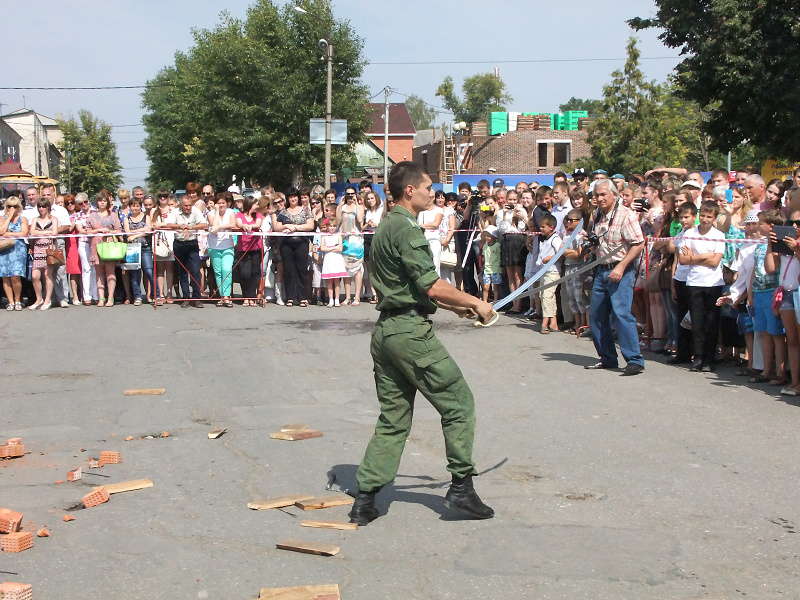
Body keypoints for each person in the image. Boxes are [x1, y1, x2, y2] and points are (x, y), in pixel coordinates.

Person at [349, 161, 496, 527]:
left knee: (394, 417)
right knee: (459, 402)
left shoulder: (385, 226)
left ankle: (365, 497)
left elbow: (411, 288)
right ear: (409, 191)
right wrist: (475, 301)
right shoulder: (407, 228)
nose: (433, 192)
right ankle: (461, 488)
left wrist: (454, 307)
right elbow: (430, 284)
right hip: (409, 334)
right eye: (428, 187)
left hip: (387, 332)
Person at [585, 180, 645, 375]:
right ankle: (607, 358)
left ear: (614, 194)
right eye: (597, 195)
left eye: (603, 194)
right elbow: (596, 241)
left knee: (621, 314)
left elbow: (638, 244)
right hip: (601, 269)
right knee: (596, 315)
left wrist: (621, 266)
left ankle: (634, 360)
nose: (600, 198)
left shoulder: (625, 215)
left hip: (621, 271)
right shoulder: (596, 215)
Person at [678, 201, 726, 371]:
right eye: (703, 215)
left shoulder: (719, 235)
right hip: (694, 282)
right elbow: (683, 259)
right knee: (697, 322)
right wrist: (703, 256)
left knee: (711, 322)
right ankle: (698, 357)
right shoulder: (689, 233)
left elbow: (715, 261)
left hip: (713, 283)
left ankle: (709, 358)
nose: (705, 219)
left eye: (709, 216)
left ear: (714, 218)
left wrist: (694, 257)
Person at [273, 188, 315, 307]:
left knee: (302, 269)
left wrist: (295, 228)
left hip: (302, 243)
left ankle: (302, 297)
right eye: (291, 197)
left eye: (295, 196)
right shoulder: (283, 212)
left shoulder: (306, 210)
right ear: (288, 199)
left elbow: (310, 225)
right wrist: (287, 226)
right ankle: (290, 297)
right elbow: (277, 227)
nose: (293, 199)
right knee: (289, 270)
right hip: (286, 244)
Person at [166, 197, 208, 307]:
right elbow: (168, 224)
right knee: (182, 272)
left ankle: (196, 298)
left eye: (189, 205)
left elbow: (204, 224)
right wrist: (179, 226)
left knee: (195, 271)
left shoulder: (196, 211)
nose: (188, 208)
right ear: (181, 205)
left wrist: (191, 227)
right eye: (185, 205)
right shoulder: (175, 211)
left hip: (192, 243)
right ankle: (185, 298)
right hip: (179, 243)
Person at [85, 190, 123, 307]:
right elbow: (87, 231)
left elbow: (119, 230)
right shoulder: (92, 215)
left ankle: (110, 297)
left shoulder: (113, 215)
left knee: (110, 273)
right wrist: (98, 230)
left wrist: (110, 232)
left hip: (109, 246)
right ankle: (101, 297)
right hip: (96, 246)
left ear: (108, 202)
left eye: (104, 201)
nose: (102, 203)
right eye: (100, 201)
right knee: (99, 273)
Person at [562, 208, 590, 335]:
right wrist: (566, 252)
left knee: (579, 298)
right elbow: (561, 251)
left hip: (579, 268)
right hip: (568, 266)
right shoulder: (567, 234)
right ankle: (576, 323)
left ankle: (583, 324)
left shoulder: (581, 235)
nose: (568, 222)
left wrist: (565, 251)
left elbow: (578, 254)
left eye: (571, 220)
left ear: (579, 221)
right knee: (571, 297)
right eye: (567, 219)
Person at [28, 198, 58, 310]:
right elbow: (32, 232)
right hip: (37, 249)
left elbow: (54, 233)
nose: (41, 209)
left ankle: (47, 300)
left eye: (43, 206)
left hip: (49, 249)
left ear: (48, 207)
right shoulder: (35, 219)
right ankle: (39, 299)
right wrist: (46, 232)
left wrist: (40, 232)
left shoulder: (53, 219)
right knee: (35, 276)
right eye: (39, 206)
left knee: (47, 275)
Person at [122, 197, 154, 305]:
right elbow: (127, 233)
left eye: (137, 205)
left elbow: (148, 231)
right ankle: (137, 296)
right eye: (132, 205)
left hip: (145, 247)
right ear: (130, 207)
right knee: (135, 274)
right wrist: (142, 230)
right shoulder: (127, 219)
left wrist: (135, 233)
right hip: (132, 248)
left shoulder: (147, 216)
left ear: (140, 206)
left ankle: (155, 294)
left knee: (149, 271)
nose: (135, 208)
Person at [0, 197, 29, 310]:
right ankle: (10, 302)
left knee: (15, 276)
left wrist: (7, 234)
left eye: (15, 206)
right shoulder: (2, 218)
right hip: (4, 249)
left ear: (19, 207)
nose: (12, 208)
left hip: (18, 249)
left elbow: (24, 233)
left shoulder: (23, 219)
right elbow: (1, 231)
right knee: (5, 276)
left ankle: (17, 300)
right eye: (9, 206)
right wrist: (9, 218)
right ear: (5, 207)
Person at [536, 214, 562, 334]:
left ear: (551, 227)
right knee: (545, 296)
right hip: (544, 271)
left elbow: (561, 252)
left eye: (543, 227)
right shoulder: (545, 239)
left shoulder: (555, 239)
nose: (540, 229)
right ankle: (554, 323)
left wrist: (549, 258)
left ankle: (545, 322)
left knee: (547, 296)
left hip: (553, 271)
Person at [235, 196, 264, 306]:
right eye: (256, 204)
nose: (257, 206)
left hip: (256, 248)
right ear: (250, 204)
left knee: (255, 273)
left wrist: (250, 226)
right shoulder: (239, 215)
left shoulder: (258, 215)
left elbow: (258, 224)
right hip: (243, 249)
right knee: (244, 273)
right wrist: (244, 225)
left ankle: (251, 297)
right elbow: (238, 223)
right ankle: (245, 296)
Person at [151, 191, 176, 305]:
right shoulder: (153, 211)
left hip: (170, 241)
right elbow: (151, 225)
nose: (162, 198)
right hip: (158, 242)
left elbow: (175, 224)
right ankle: (161, 294)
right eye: (160, 196)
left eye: (165, 196)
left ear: (168, 198)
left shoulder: (173, 210)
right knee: (160, 269)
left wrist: (163, 225)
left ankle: (169, 293)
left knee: (170, 269)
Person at [319, 217, 347, 307]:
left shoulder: (338, 235)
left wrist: (330, 248)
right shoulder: (324, 236)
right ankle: (331, 299)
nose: (332, 228)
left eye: (334, 226)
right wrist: (333, 247)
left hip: (337, 259)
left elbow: (340, 248)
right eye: (330, 226)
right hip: (328, 259)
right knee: (329, 281)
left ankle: (337, 299)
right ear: (327, 227)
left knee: (337, 280)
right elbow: (322, 248)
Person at [363, 190, 384, 303]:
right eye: (368, 199)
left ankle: (381, 293)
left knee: (379, 266)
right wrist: (368, 224)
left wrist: (377, 225)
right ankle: (373, 293)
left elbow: (386, 224)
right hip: (367, 238)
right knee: (369, 267)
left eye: (372, 198)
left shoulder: (382, 210)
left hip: (378, 238)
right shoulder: (366, 212)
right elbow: (361, 227)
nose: (370, 201)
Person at [480, 225, 502, 302]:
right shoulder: (485, 246)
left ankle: (496, 301)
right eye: (485, 235)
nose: (486, 237)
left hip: (495, 269)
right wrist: (482, 265)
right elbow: (483, 256)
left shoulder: (497, 245)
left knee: (495, 288)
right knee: (486, 287)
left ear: (494, 236)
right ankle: (484, 301)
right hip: (487, 269)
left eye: (488, 236)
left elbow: (500, 256)